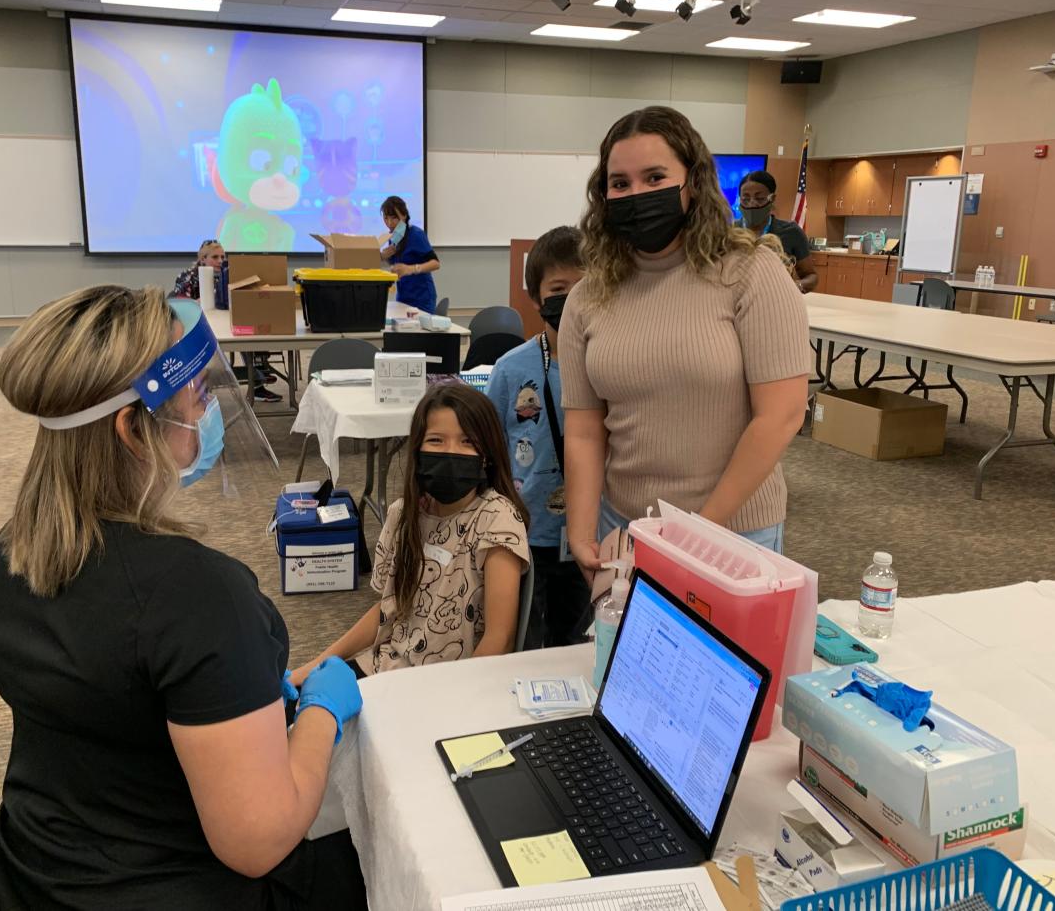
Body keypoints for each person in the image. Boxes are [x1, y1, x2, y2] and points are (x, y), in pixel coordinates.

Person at [0, 286, 366, 910]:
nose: (209, 413)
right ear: (133, 427)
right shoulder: (197, 593)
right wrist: (321, 712)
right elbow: (257, 841)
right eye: (201, 396)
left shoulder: (12, 554)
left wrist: (232, 692)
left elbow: (111, 698)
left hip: (22, 879)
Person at [560, 105, 809, 572]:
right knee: (624, 648)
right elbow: (584, 430)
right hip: (624, 526)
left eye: (655, 177)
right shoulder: (587, 298)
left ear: (692, 183)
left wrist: (696, 533)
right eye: (620, 183)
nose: (636, 194)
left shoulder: (751, 273)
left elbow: (781, 415)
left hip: (732, 530)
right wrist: (581, 528)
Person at [291, 384, 529, 682]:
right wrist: (312, 667)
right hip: (386, 666)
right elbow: (387, 609)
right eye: (436, 440)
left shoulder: (497, 520)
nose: (451, 452)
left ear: (488, 454)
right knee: (290, 705)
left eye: (468, 441)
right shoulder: (404, 514)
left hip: (447, 686)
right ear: (417, 449)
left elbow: (499, 640)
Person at [485, 225, 591, 647]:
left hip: (590, 530)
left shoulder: (610, 364)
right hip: (525, 531)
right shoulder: (512, 368)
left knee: (576, 638)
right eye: (560, 287)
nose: (573, 299)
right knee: (522, 638)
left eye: (585, 286)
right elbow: (489, 445)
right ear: (536, 296)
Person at [174, 238, 283, 403]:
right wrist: (199, 301)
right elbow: (179, 306)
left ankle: (257, 385)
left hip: (222, 320)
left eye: (223, 257)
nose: (220, 261)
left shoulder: (226, 275)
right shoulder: (188, 277)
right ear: (202, 259)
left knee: (245, 336)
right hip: (194, 325)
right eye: (215, 257)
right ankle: (198, 393)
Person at [736, 171, 819, 293]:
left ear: (772, 198)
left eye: (759, 198)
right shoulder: (728, 231)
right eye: (745, 199)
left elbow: (811, 276)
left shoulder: (791, 231)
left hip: (777, 302)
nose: (752, 203)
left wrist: (795, 287)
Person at [380, 196, 440, 313]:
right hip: (403, 296)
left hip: (421, 297)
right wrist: (383, 257)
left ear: (404, 216)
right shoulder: (393, 238)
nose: (389, 223)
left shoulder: (416, 234)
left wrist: (411, 269)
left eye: (394, 218)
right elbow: (397, 265)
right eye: (386, 218)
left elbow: (435, 263)